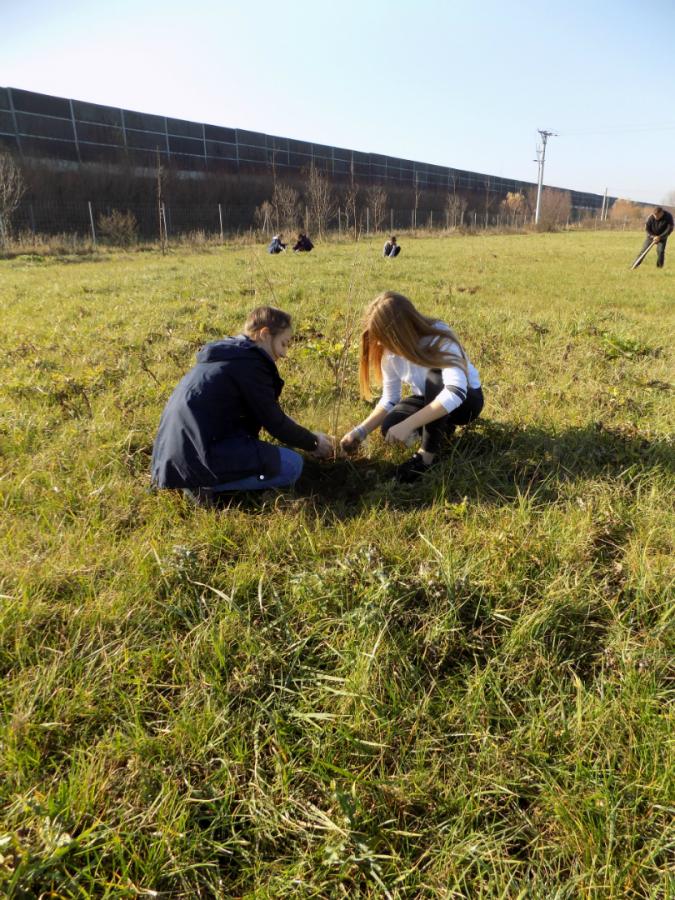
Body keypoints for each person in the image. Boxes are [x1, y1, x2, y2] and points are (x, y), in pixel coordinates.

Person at [152, 306, 333, 506]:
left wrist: (306, 436)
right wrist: (314, 443)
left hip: (177, 455)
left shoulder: (231, 356)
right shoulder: (250, 365)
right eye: (283, 343)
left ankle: (191, 478)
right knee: (292, 465)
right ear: (265, 334)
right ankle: (201, 485)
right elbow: (276, 424)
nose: (284, 353)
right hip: (200, 455)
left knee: (277, 455)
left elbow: (268, 413)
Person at [340, 292, 483, 483]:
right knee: (390, 427)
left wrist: (409, 424)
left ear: (400, 332)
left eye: (384, 337)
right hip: (428, 398)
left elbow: (455, 392)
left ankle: (426, 456)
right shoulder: (390, 353)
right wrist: (359, 432)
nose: (380, 343)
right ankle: (442, 430)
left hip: (466, 402)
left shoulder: (439, 339)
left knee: (435, 376)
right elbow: (390, 399)